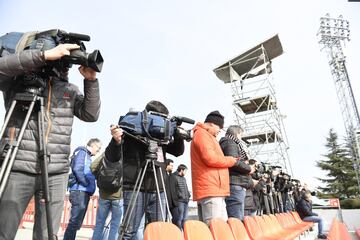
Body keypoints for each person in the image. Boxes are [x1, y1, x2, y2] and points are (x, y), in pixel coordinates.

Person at [0, 36, 101, 239]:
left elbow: (90, 115)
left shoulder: (70, 90)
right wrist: (43, 55)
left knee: (47, 235)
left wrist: (91, 81)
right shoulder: (17, 81)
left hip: (56, 172)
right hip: (19, 167)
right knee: (4, 231)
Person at [105, 100, 185, 240]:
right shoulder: (132, 129)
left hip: (159, 188)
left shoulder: (162, 135)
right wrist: (116, 141)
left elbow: (178, 151)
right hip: (135, 187)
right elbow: (112, 156)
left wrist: (176, 132)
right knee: (129, 232)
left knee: (159, 232)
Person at [190, 110, 244, 225]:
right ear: (212, 124)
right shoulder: (202, 134)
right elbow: (210, 158)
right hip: (210, 188)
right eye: (219, 128)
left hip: (215, 189)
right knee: (214, 227)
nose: (219, 131)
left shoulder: (207, 135)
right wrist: (230, 160)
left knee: (220, 228)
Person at [64, 138, 101, 240]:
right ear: (93, 146)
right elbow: (77, 168)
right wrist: (85, 183)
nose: (98, 151)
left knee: (76, 222)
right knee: (75, 221)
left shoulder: (86, 155)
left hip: (82, 191)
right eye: (98, 148)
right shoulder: (82, 152)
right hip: (79, 190)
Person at [219, 125, 254, 221]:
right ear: (237, 133)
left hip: (236, 184)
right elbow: (234, 162)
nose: (241, 138)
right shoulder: (230, 143)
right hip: (235, 184)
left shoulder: (229, 143)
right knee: (237, 220)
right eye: (241, 135)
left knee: (238, 218)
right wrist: (249, 168)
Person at [90, 150, 123, 240]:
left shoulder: (106, 153)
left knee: (100, 223)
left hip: (103, 195)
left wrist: (100, 177)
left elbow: (93, 166)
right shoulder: (123, 154)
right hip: (118, 195)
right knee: (115, 224)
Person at [170, 164, 191, 230]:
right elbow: (173, 190)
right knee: (179, 218)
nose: (186, 172)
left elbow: (186, 188)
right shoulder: (174, 177)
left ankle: (184, 233)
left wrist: (188, 195)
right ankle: (178, 233)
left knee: (185, 219)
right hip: (180, 202)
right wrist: (179, 196)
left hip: (186, 201)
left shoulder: (183, 178)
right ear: (181, 170)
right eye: (185, 171)